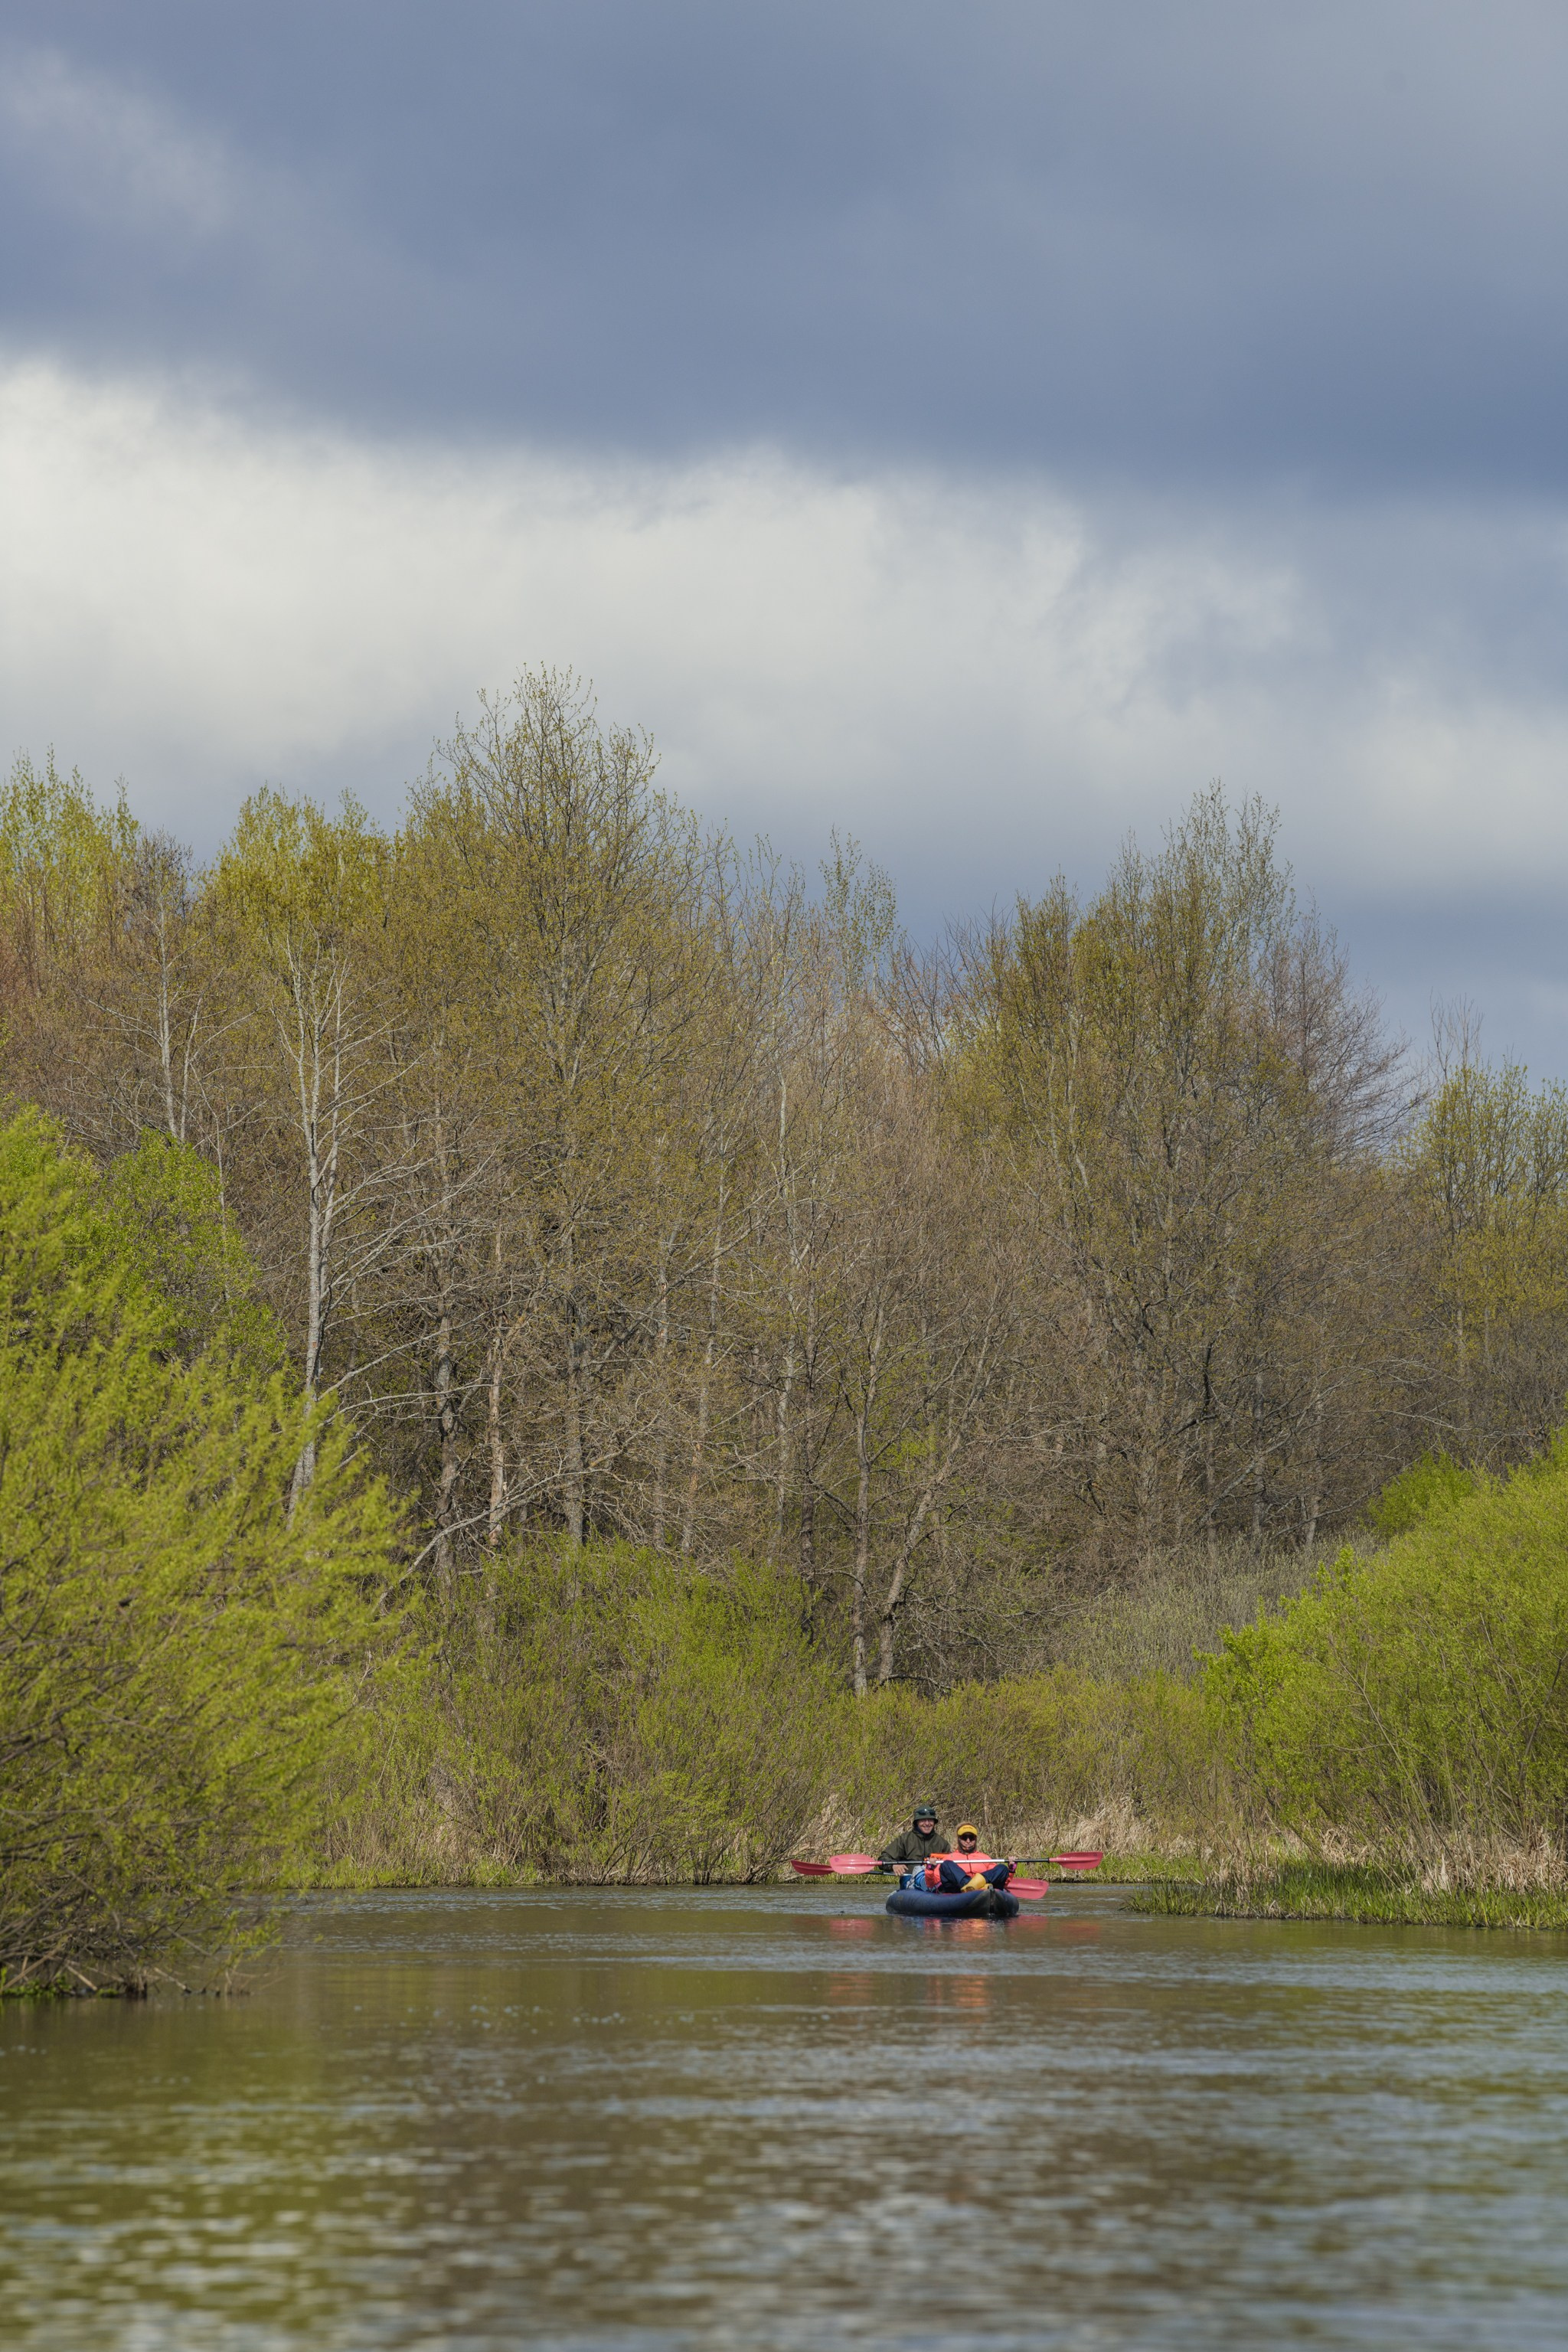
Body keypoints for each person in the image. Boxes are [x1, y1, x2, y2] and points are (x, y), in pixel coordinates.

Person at [934, 1824, 1015, 1894]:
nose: (968, 1841)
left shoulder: (985, 1858)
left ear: (975, 1839)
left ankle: (974, 1886)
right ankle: (968, 1885)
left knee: (1002, 1868)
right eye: (964, 1838)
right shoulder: (949, 1858)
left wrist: (1011, 1871)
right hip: (958, 1891)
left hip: (984, 1890)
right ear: (959, 1839)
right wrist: (930, 1869)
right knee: (946, 1864)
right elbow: (934, 1882)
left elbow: (1001, 1880)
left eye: (971, 1838)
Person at [877, 1804, 942, 1874]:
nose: (927, 1823)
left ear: (934, 1822)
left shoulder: (942, 1843)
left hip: (935, 1880)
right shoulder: (905, 1840)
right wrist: (893, 1865)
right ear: (916, 1822)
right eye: (923, 1820)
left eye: (930, 1820)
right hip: (910, 1880)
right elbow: (883, 1858)